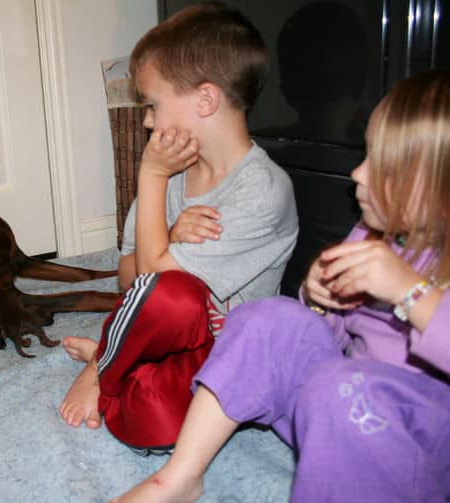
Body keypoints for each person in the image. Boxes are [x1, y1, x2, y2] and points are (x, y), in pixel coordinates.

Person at [112, 69, 450, 502]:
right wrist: (321, 299)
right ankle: (180, 477)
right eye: (366, 155)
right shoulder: (371, 236)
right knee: (267, 318)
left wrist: (412, 292)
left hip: (421, 446)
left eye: (383, 164)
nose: (358, 173)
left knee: (345, 386)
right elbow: (323, 340)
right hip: (340, 417)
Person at [59, 1, 298, 453]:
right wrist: (165, 231)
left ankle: (107, 364)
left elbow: (155, 283)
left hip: (226, 355)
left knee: (155, 428)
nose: (146, 120)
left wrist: (150, 176)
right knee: (171, 297)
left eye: (151, 105)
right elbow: (131, 282)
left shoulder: (263, 191)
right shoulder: (167, 180)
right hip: (162, 333)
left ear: (205, 100)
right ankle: (113, 364)